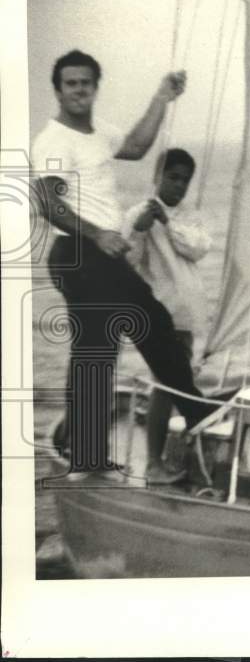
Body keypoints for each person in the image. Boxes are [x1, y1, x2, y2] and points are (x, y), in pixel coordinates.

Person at [30, 49, 213, 482]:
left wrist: (161, 98)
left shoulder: (97, 133)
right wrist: (96, 234)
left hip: (100, 256)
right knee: (143, 322)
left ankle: (87, 447)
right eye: (71, 83)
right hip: (79, 253)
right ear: (58, 90)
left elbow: (134, 147)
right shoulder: (55, 139)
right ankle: (194, 409)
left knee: (105, 347)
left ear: (96, 87)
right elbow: (46, 202)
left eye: (86, 82)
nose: (79, 90)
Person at [122, 147, 212, 483]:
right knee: (166, 385)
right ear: (157, 176)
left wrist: (167, 221)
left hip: (188, 316)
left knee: (180, 384)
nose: (178, 186)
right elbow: (127, 261)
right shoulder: (137, 213)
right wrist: (141, 229)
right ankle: (153, 465)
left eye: (184, 180)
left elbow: (199, 247)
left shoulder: (190, 215)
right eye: (172, 177)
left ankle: (178, 456)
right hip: (162, 315)